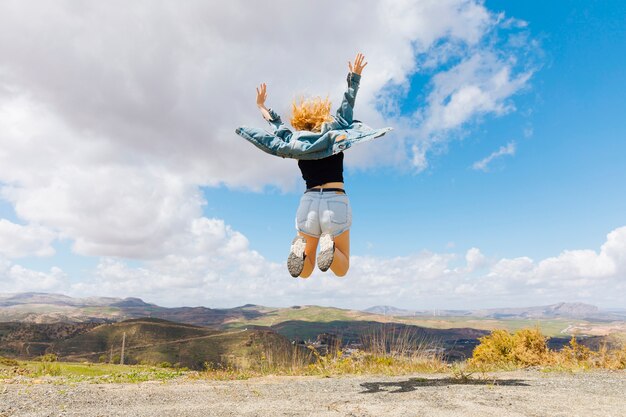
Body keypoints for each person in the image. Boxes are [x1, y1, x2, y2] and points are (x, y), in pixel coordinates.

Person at [237, 53, 391, 278]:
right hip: (334, 200)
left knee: (305, 271)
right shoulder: (334, 132)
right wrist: (354, 77)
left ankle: (299, 253)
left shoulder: (294, 141)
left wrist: (261, 106)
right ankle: (328, 247)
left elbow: (277, 126)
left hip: (308, 204)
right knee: (342, 267)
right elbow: (346, 108)